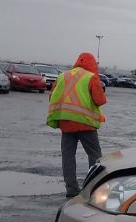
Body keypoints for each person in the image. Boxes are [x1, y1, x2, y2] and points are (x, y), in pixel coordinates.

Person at [46, 52, 107, 197]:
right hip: (86, 124)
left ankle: (71, 189)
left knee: (68, 156)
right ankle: (94, 187)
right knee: (95, 156)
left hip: (66, 122)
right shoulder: (91, 77)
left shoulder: (62, 76)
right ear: (92, 64)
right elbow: (100, 100)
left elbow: (51, 96)